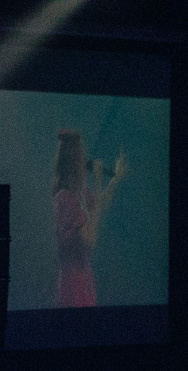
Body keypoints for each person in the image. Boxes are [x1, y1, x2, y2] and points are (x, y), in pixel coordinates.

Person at [52, 127, 126, 309]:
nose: (85, 159)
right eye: (81, 155)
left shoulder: (80, 192)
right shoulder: (65, 199)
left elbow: (99, 206)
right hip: (73, 282)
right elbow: (90, 239)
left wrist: (115, 180)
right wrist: (99, 179)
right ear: (74, 161)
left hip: (84, 279)